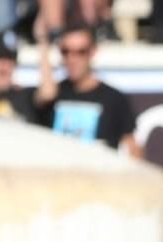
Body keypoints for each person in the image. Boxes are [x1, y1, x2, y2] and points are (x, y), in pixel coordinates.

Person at [41, 24, 142, 157]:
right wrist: (43, 44)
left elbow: (133, 149)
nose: (72, 59)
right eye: (65, 51)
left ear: (92, 52)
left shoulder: (114, 99)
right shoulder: (52, 97)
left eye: (80, 52)